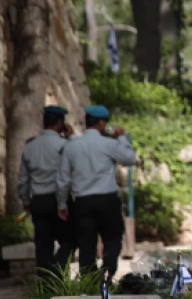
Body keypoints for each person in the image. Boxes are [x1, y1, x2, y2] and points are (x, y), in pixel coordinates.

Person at [56, 105, 137, 279]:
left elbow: (63, 179)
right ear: (101, 123)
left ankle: (89, 280)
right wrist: (122, 137)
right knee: (113, 237)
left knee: (86, 244)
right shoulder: (109, 144)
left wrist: (62, 203)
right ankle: (108, 271)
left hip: (83, 202)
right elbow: (130, 159)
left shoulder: (72, 146)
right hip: (107, 200)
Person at [18, 106, 75, 276]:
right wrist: (70, 137)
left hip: (38, 200)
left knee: (43, 244)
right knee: (71, 239)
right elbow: (68, 175)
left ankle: (45, 284)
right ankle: (56, 270)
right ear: (60, 123)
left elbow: (23, 180)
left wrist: (26, 201)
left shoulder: (29, 146)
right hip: (58, 199)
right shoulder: (64, 145)